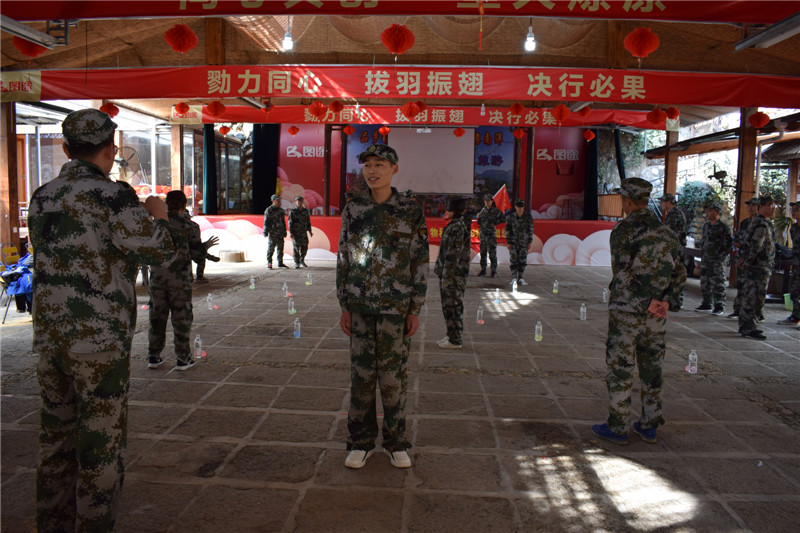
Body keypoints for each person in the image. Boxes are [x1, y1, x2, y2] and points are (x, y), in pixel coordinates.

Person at [27, 108, 175, 532]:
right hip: (98, 342)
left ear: (66, 148)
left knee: (55, 440)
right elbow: (159, 251)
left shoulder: (42, 196)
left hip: (51, 337)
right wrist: (159, 215)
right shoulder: (113, 196)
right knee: (100, 446)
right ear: (110, 149)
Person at [336, 144, 428, 470]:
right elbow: (344, 258)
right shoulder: (353, 209)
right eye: (368, 165)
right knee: (361, 380)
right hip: (360, 307)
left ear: (394, 169)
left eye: (379, 164)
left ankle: (395, 442)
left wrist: (415, 308)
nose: (372, 171)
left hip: (395, 309)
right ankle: (360, 443)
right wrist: (345, 304)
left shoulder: (410, 210)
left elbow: (419, 261)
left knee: (393, 381)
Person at [592, 178, 686, 446]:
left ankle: (618, 426)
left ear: (628, 200)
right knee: (652, 368)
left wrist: (646, 301)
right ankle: (649, 425)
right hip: (657, 315)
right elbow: (680, 272)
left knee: (621, 368)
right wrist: (666, 302)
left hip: (627, 313)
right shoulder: (667, 233)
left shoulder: (624, 231)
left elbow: (622, 273)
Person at [148, 191, 208, 371]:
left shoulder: (156, 226)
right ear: (184, 205)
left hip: (158, 279)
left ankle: (153, 356)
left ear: (167, 204)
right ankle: (183, 358)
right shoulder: (190, 226)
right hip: (180, 282)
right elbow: (197, 255)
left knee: (157, 317)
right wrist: (205, 248)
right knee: (181, 318)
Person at [737, 196, 776, 340]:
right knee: (755, 299)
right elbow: (756, 246)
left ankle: (746, 325)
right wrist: (747, 262)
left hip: (756, 266)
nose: (773, 208)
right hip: (758, 267)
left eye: (774, 205)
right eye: (769, 205)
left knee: (750, 297)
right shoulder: (762, 225)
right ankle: (749, 328)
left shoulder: (758, 222)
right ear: (761, 207)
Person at [434, 198, 470, 350]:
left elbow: (453, 254)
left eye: (449, 209)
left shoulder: (457, 227)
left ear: (455, 211)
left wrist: (447, 277)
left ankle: (455, 340)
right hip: (448, 274)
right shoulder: (453, 225)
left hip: (454, 276)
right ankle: (451, 335)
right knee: (448, 307)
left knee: (454, 307)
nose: (446, 211)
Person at [694, 202, 733, 316]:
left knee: (718, 283)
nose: (707, 213)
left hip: (717, 260)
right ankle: (707, 303)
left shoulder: (723, 227)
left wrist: (720, 258)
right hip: (706, 259)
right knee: (705, 282)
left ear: (717, 212)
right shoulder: (706, 226)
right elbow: (705, 240)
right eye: (707, 210)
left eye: (710, 211)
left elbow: (728, 246)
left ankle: (719, 305)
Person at [730, 197, 760, 319]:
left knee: (754, 288)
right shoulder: (745, 223)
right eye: (749, 205)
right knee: (741, 284)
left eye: (754, 205)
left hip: (755, 260)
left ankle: (756, 313)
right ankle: (738, 309)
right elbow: (738, 239)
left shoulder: (762, 224)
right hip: (742, 257)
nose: (751, 208)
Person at [777, 201, 800, 328]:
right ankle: (796, 316)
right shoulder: (794, 228)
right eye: (793, 209)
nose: (793, 212)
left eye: (797, 209)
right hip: (796, 264)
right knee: (795, 291)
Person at [505, 199, 534, 285]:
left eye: (521, 206)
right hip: (513, 242)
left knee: (522, 260)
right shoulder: (511, 217)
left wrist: (529, 241)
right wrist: (508, 242)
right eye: (518, 206)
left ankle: (521, 278)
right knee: (513, 260)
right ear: (515, 206)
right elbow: (507, 230)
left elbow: (530, 229)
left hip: (523, 242)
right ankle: (514, 277)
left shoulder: (528, 217)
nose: (520, 208)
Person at [477, 194, 504, 278]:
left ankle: (493, 271)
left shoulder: (495, 211)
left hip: (491, 235)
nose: (487, 202)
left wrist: (495, 222)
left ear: (492, 201)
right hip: (483, 234)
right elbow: (480, 222)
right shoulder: (483, 210)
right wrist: (478, 218)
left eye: (488, 201)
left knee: (492, 253)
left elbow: (503, 218)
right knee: (483, 253)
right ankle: (483, 270)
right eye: (485, 201)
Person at [263, 193, 288, 269]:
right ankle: (269, 263)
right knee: (271, 249)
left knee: (280, 249)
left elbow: (283, 222)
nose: (279, 202)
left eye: (279, 200)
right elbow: (266, 222)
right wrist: (265, 231)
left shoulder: (281, 210)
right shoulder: (269, 210)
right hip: (273, 233)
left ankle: (280, 262)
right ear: (273, 201)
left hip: (280, 233)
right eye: (277, 200)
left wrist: (284, 231)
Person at [192, 217, 220, 283]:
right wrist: (204, 246)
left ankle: (207, 255)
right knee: (200, 257)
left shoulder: (193, 226)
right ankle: (207, 256)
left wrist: (204, 246)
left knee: (200, 255)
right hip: (186, 250)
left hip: (191, 249)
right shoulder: (192, 226)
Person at [288, 195, 313, 268]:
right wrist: (291, 232)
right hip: (296, 233)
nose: (300, 202)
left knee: (305, 247)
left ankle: (302, 260)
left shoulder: (305, 211)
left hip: (303, 233)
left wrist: (310, 231)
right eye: (298, 201)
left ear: (303, 202)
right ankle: (297, 262)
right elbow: (290, 223)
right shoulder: (293, 212)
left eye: (301, 201)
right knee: (296, 248)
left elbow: (308, 221)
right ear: (296, 202)